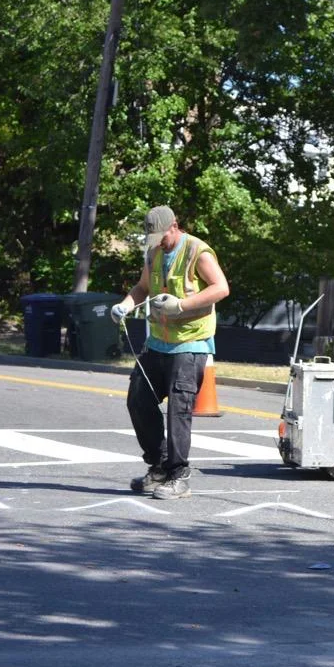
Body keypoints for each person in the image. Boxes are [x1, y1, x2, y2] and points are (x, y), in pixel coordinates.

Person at [109, 206, 230, 500]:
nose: (158, 242)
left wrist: (181, 306)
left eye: (162, 236)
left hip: (190, 344)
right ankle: (159, 465)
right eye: (153, 238)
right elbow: (142, 287)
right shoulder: (154, 253)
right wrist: (125, 304)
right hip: (158, 344)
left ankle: (179, 476)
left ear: (174, 226)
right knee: (138, 400)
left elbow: (221, 288)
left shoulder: (197, 251)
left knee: (178, 411)